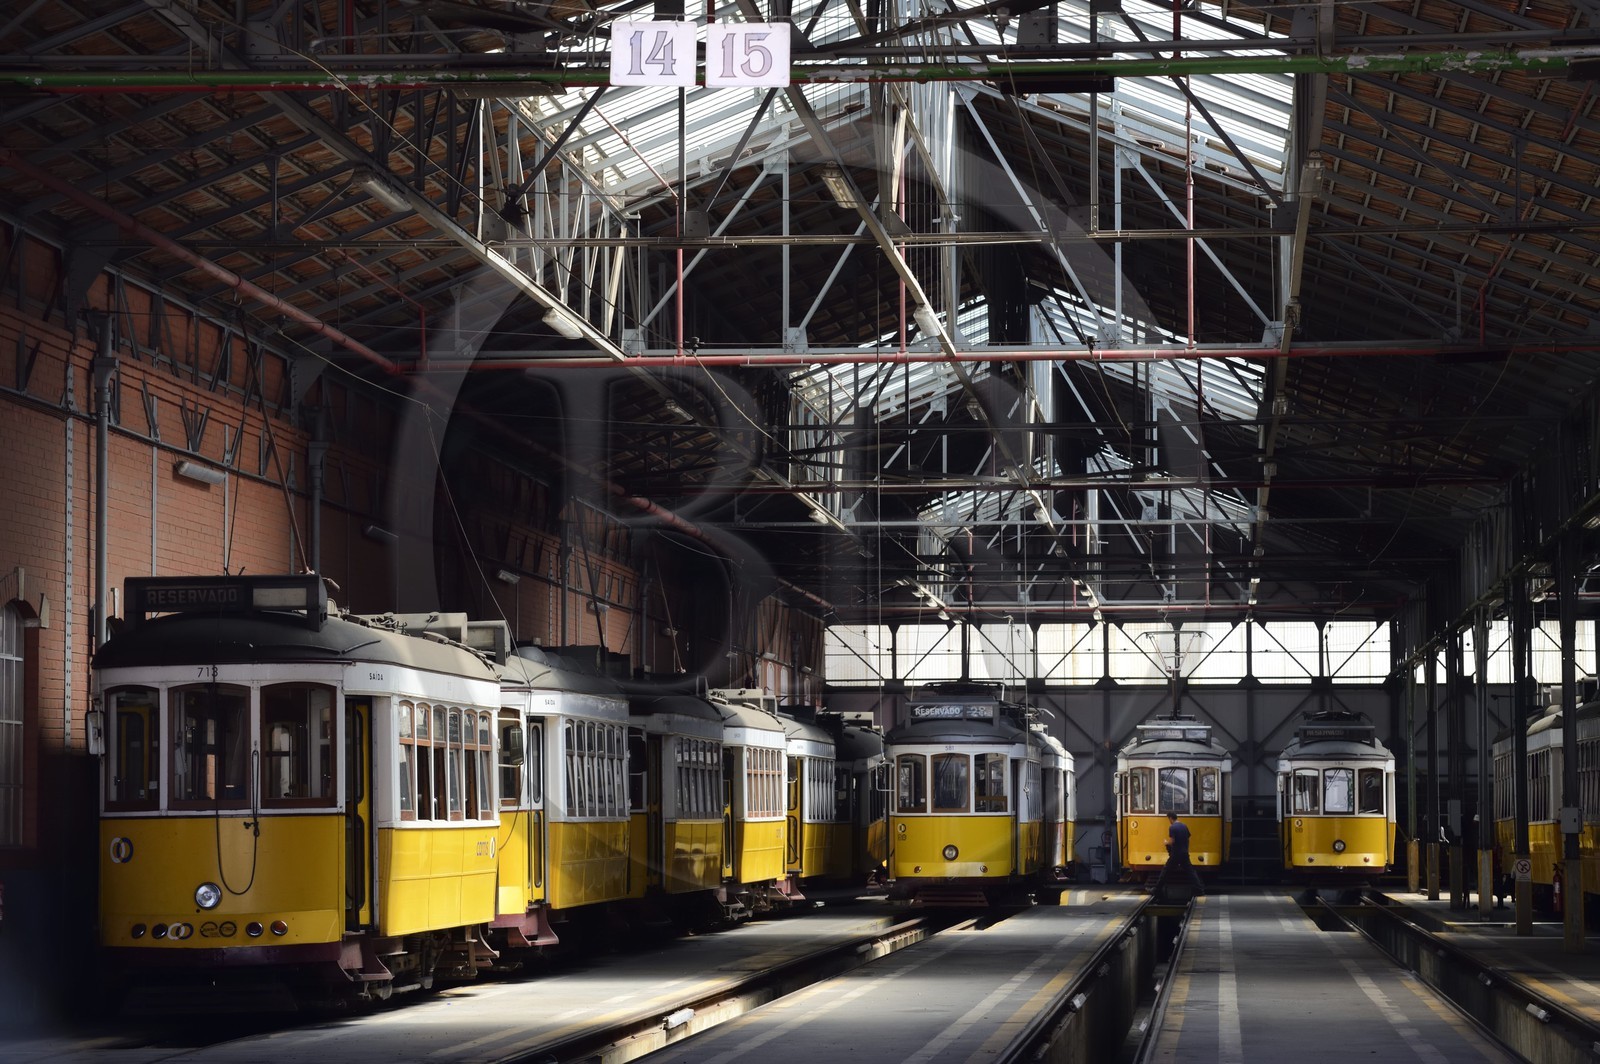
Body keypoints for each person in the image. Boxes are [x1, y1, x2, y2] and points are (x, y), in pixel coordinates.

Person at [1155, 811, 1206, 898]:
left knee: (1165, 871)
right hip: (1184, 853)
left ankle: (1156, 890)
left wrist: (1166, 842)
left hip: (1176, 854)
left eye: (1169, 819)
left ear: (1170, 818)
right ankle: (1200, 890)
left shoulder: (1172, 827)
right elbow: (1188, 837)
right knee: (1191, 872)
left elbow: (1172, 841)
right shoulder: (1184, 826)